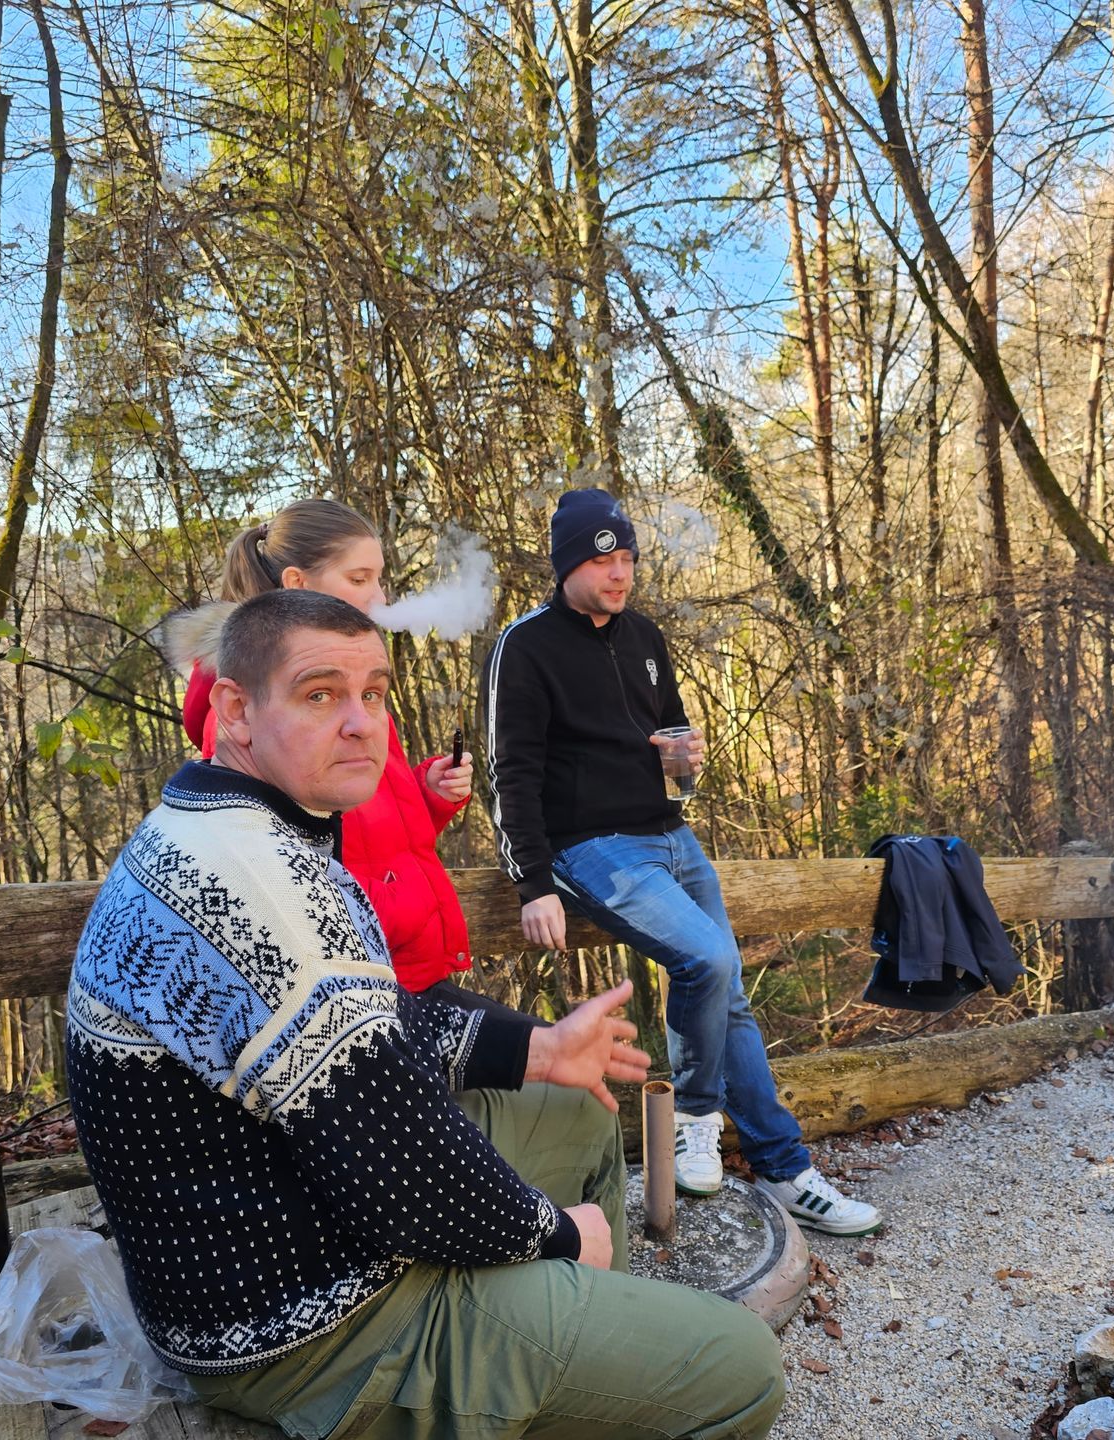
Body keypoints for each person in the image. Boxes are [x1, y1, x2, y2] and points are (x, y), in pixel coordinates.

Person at [70, 588, 786, 1439]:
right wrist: (559, 1236)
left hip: (291, 1221)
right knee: (745, 1370)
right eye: (319, 694)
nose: (361, 724)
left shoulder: (227, 825)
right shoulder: (261, 885)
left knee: (578, 1114)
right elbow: (400, 1172)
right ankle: (573, 1364)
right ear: (234, 710)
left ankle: (583, 1370)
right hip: (301, 1325)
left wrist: (540, 1050)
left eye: (373, 694)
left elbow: (376, 1029)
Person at [485, 488, 881, 1236]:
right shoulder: (525, 645)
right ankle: (697, 1118)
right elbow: (512, 773)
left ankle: (786, 1170)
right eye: (602, 559)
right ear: (567, 564)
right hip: (591, 849)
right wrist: (532, 882)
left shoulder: (644, 635)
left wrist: (685, 762)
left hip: (670, 833)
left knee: (727, 992)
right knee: (709, 960)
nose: (619, 572)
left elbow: (671, 735)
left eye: (628, 558)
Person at [166, 499, 475, 998]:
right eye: (359, 579)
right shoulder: (251, 713)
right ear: (297, 584)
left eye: (378, 579)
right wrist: (385, 910)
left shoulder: (354, 692)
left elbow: (377, 831)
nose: (379, 597)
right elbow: (273, 865)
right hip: (347, 978)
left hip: (403, 963)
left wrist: (429, 795)